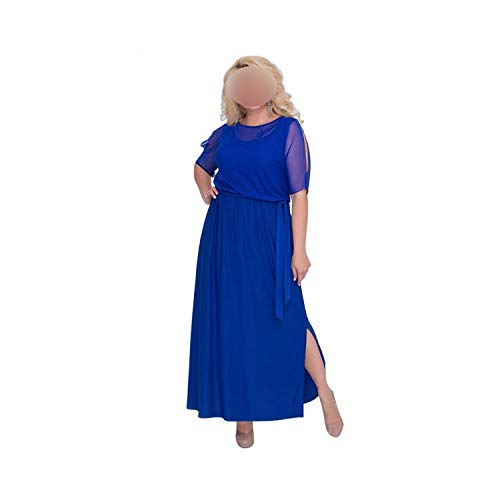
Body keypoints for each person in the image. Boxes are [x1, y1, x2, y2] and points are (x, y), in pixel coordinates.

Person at [187, 55, 344, 448]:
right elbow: (201, 166)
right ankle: (243, 415)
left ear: (271, 84)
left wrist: (299, 251)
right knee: (233, 320)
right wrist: (204, 186)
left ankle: (324, 391)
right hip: (223, 235)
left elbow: (299, 195)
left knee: (288, 313)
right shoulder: (226, 133)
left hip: (269, 232)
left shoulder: (288, 130)